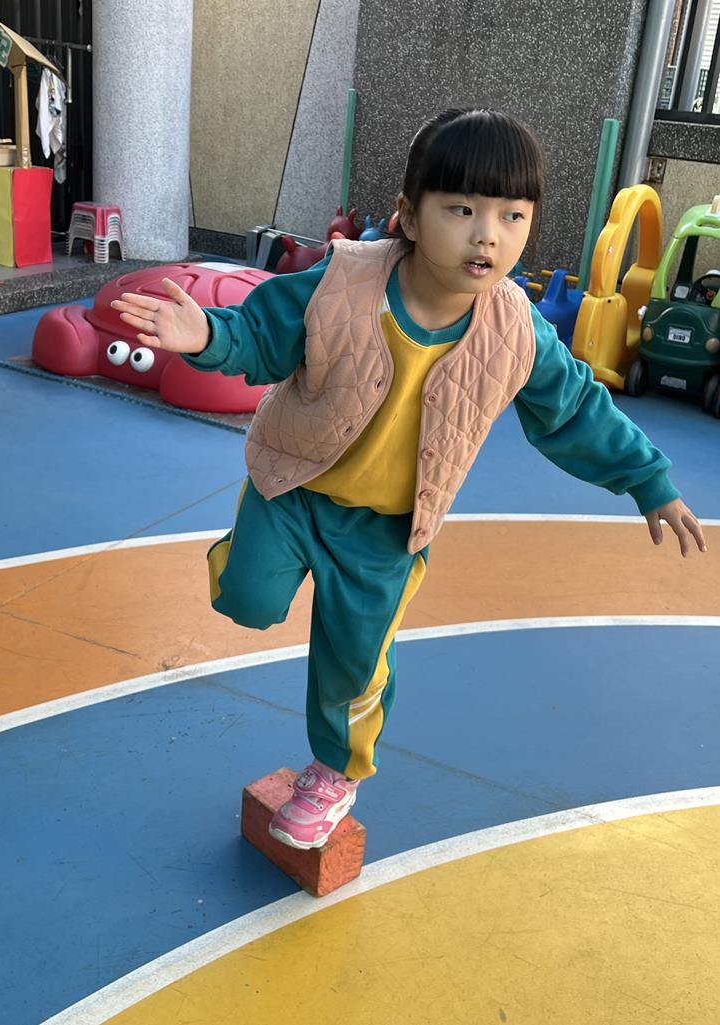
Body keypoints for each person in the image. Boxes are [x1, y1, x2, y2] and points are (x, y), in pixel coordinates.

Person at [111, 108, 707, 851]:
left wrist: (647, 479)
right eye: (461, 209)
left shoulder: (515, 330)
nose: (486, 235)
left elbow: (577, 409)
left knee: (355, 663)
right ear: (410, 215)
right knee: (248, 600)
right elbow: (261, 335)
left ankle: (334, 773)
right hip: (293, 486)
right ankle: (248, 564)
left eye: (511, 215)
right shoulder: (342, 281)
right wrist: (206, 334)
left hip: (387, 534)